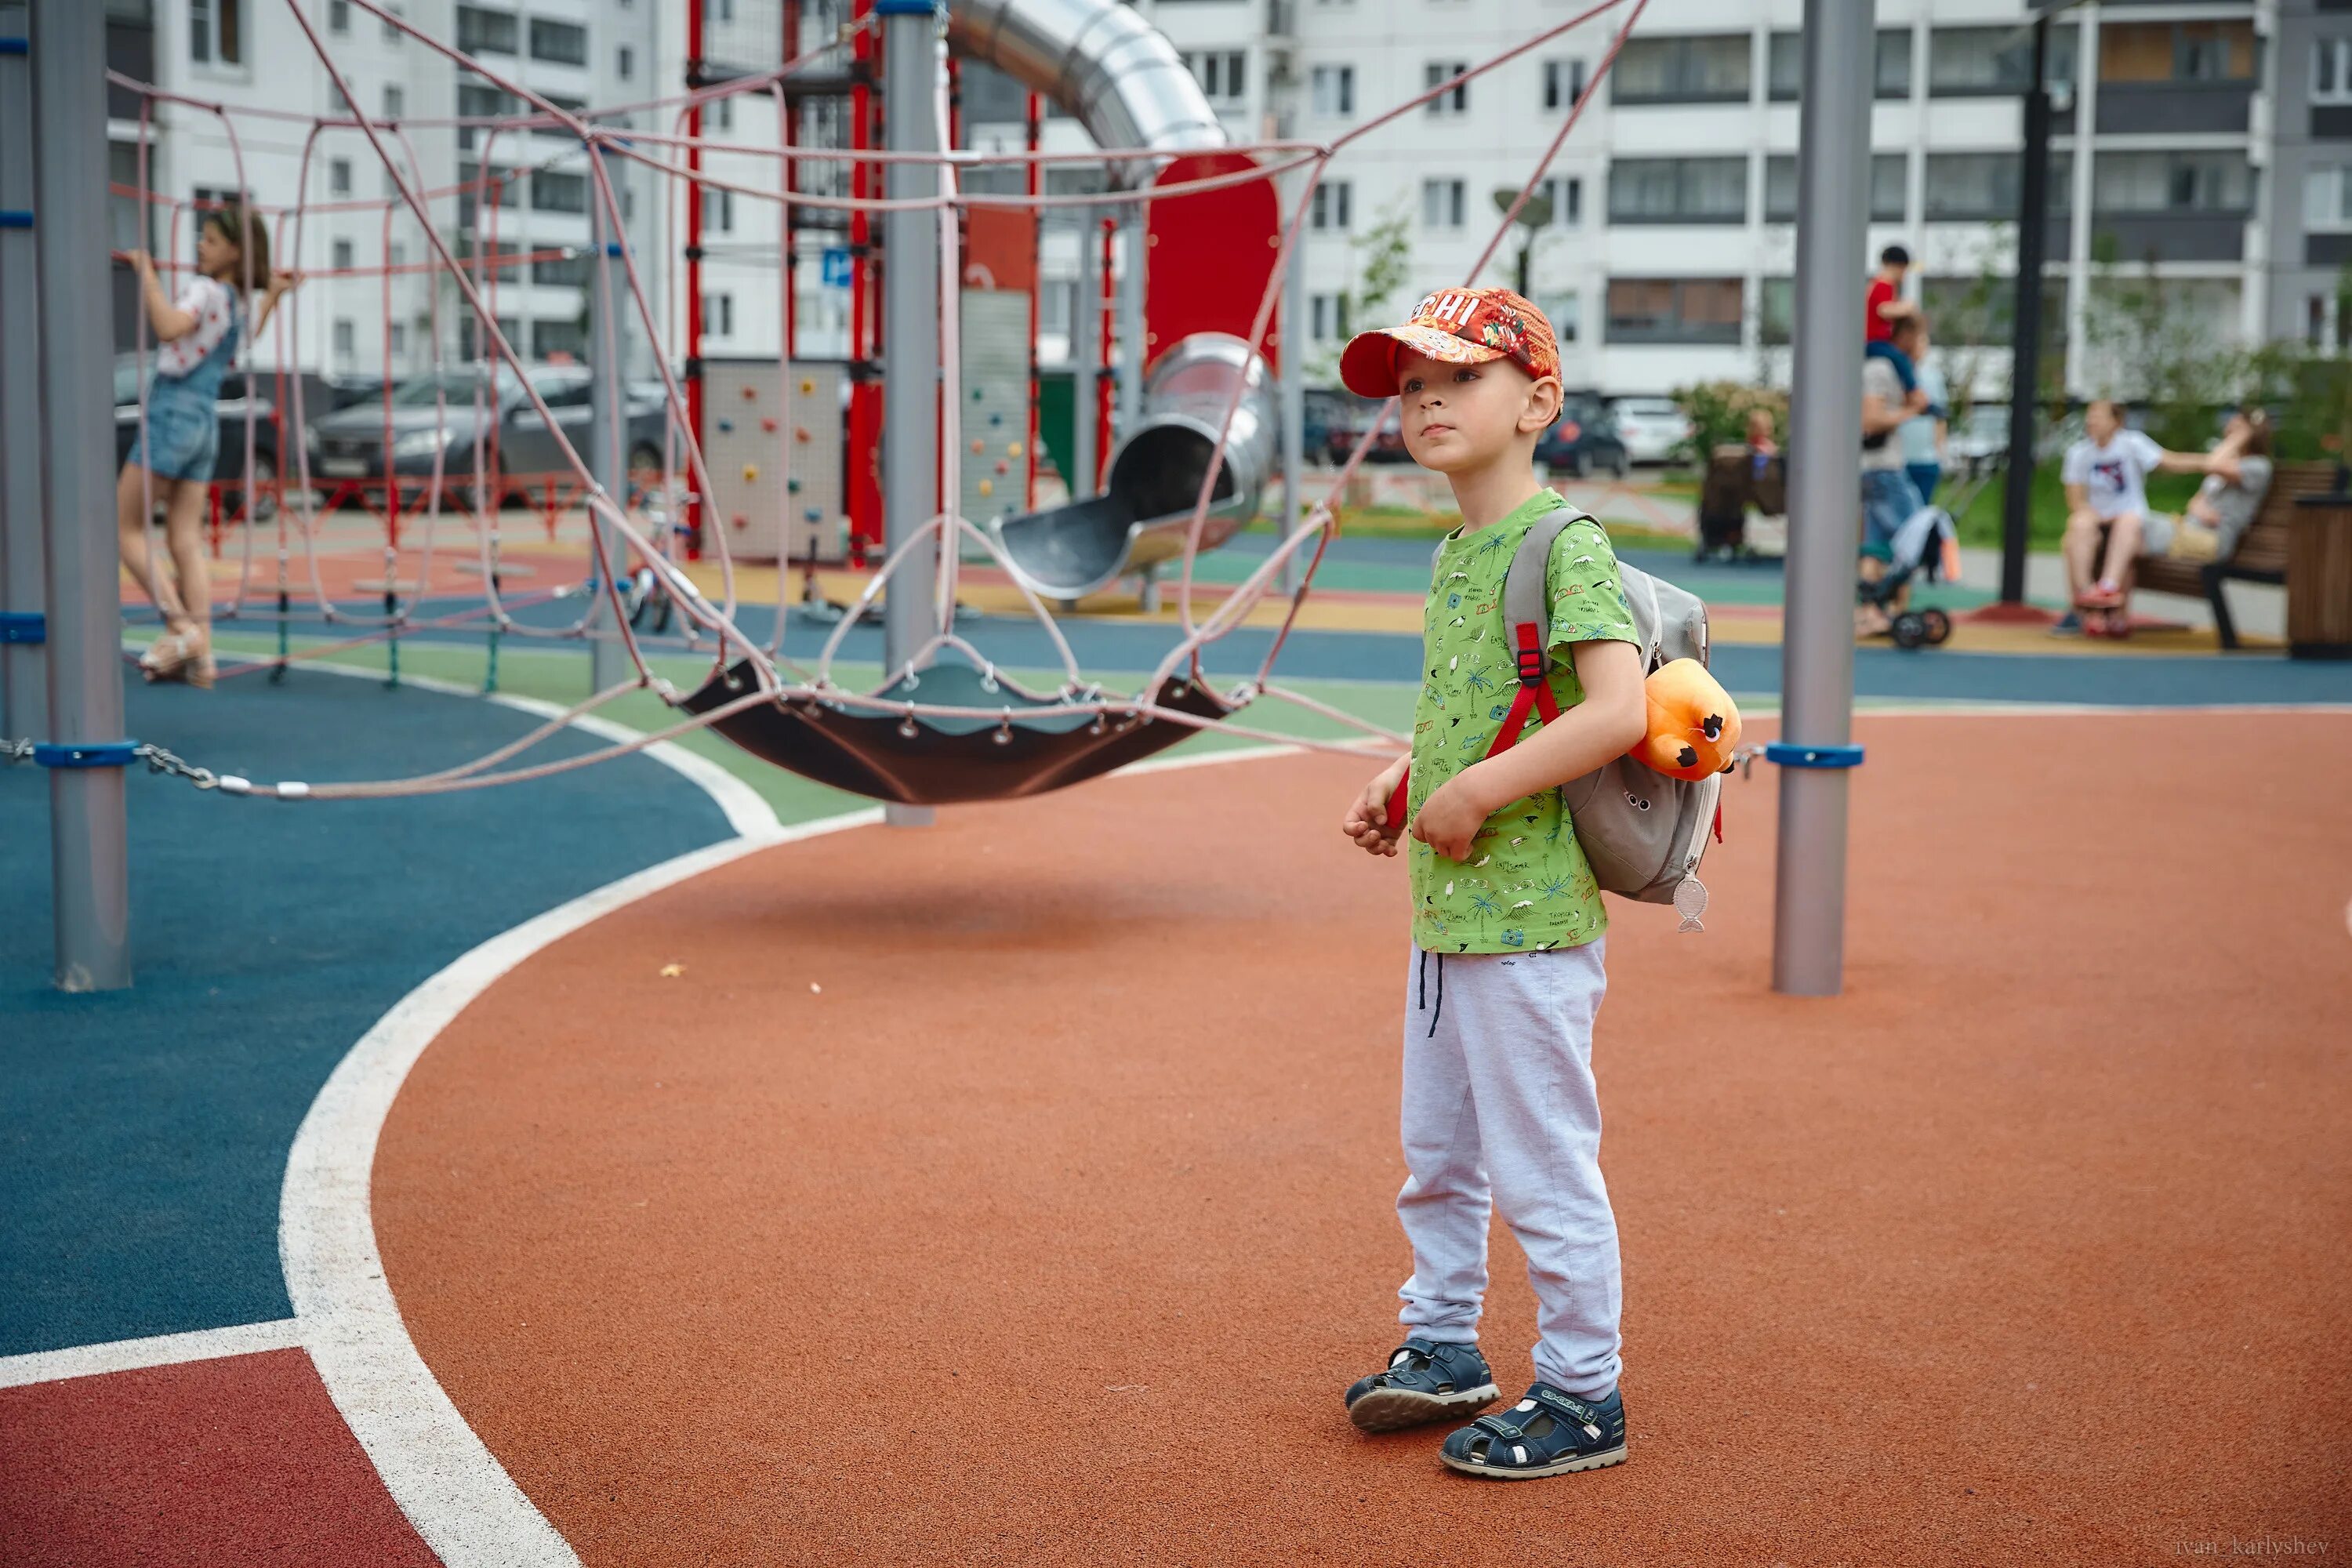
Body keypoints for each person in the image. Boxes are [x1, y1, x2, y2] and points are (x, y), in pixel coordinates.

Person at [1333, 287, 1647, 1481]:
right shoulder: (1460, 550)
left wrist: (1472, 795)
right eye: (1412, 386)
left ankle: (1582, 1391)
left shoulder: (1564, 543)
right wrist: (1411, 772)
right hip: (1449, 913)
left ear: (1539, 402)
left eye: (1459, 378)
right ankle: (1445, 1342)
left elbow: (1613, 710)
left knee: (1541, 1163)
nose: (1427, 402)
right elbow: (1502, 702)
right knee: (1442, 1154)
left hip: (1526, 923)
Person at [117, 203, 298, 687]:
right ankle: (204, 661)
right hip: (205, 420)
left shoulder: (204, 290)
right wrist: (274, 298)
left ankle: (182, 630)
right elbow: (241, 343)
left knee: (124, 528)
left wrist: (148, 275)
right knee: (185, 541)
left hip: (173, 411)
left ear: (235, 252)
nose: (201, 245)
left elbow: (171, 327)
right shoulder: (237, 302)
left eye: (212, 241)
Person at [2059, 405, 2275, 637]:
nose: (2229, 431)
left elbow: (2211, 465)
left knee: (2130, 524)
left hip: (2213, 539)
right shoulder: (2231, 464)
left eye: (2237, 429)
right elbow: (2196, 501)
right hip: (2193, 529)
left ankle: (2104, 595)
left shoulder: (2257, 467)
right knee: (2109, 535)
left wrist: (2238, 439)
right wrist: (2199, 507)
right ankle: (2111, 612)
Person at [2055, 400, 2165, 637]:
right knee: (2078, 528)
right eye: (2089, 415)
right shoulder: (2079, 453)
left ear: (2116, 422)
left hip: (2131, 530)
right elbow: (2076, 501)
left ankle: (2110, 597)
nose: (2091, 421)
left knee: (2127, 527)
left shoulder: (2132, 444)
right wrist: (2093, 516)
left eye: (2098, 416)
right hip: (2099, 526)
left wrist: (2209, 462)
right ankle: (2087, 601)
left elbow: (2168, 462)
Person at [1858, 311, 1933, 633]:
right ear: (1907, 337)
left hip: (1878, 471)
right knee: (1915, 538)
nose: (1924, 346)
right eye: (1922, 338)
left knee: (1876, 546)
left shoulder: (1894, 371)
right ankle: (1890, 607)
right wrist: (1914, 411)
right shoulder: (1881, 368)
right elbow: (1872, 420)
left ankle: (1872, 613)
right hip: (1883, 470)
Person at [1897, 322, 1948, 507]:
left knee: (1922, 514)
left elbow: (1941, 417)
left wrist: (1940, 449)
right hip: (1899, 460)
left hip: (1926, 459)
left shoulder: (1932, 377)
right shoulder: (1893, 373)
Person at [1864, 244, 1911, 345]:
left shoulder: (1877, 283)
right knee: (1902, 360)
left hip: (1876, 340)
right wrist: (1906, 309)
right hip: (1875, 341)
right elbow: (1884, 310)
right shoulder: (1884, 285)